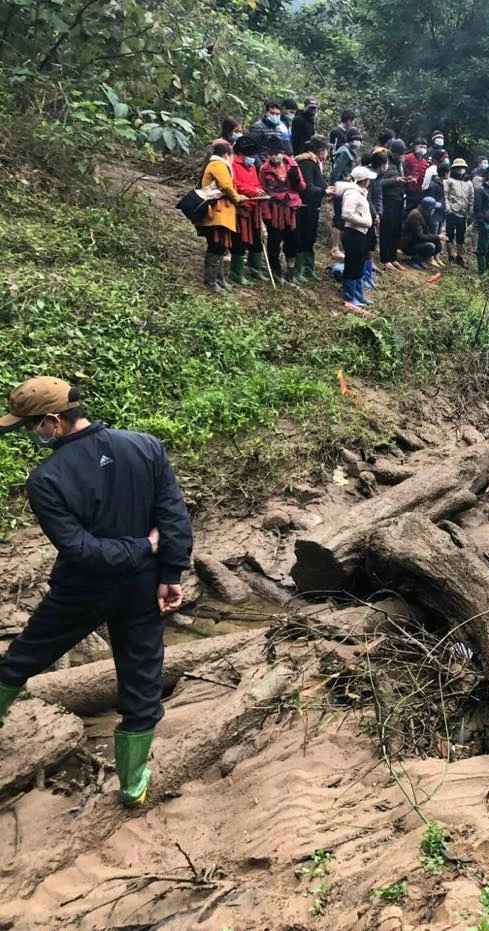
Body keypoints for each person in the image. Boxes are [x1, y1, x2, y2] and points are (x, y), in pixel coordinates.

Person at [0, 377, 192, 807]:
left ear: (53, 421)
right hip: (143, 588)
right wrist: (168, 569)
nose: (32, 435)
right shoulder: (145, 446)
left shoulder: (46, 479)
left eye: (32, 426)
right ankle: (133, 787)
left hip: (81, 591)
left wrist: (155, 556)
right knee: (142, 681)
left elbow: (83, 551)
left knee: (22, 658)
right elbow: (174, 517)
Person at [195, 139, 244, 294]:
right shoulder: (218, 165)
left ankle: (219, 279)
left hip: (222, 213)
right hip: (216, 213)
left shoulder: (217, 164)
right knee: (216, 246)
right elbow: (226, 186)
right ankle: (210, 280)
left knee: (221, 246)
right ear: (226, 155)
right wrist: (237, 198)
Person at [259, 147, 306, 284]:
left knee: (293, 242)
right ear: (268, 155)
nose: (275, 157)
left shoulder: (292, 165)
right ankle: (276, 272)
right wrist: (266, 214)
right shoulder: (264, 169)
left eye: (277, 153)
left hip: (293, 209)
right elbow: (262, 192)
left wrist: (296, 178)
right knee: (274, 243)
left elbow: (302, 187)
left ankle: (290, 273)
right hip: (275, 210)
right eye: (272, 154)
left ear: (282, 154)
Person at [291, 136, 332, 283]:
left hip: (313, 207)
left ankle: (308, 268)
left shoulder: (315, 162)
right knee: (302, 238)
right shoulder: (307, 163)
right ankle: (298, 270)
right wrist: (323, 192)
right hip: (304, 207)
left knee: (310, 238)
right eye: (326, 150)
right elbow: (307, 188)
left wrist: (325, 189)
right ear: (321, 151)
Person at [230, 136, 267, 286]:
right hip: (241, 208)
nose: (250, 158)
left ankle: (255, 268)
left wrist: (260, 191)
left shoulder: (251, 166)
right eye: (248, 154)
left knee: (257, 239)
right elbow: (235, 184)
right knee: (239, 240)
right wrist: (252, 191)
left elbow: (257, 183)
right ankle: (236, 272)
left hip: (255, 209)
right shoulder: (232, 164)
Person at [338, 165, 376, 309]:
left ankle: (359, 294)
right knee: (352, 265)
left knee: (359, 264)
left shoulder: (361, 193)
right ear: (364, 180)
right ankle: (349, 296)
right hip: (353, 233)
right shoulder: (352, 194)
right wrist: (364, 221)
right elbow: (347, 214)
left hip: (361, 233)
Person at [330, 128, 364, 259]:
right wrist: (334, 188)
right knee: (339, 218)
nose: (358, 142)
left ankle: (340, 245)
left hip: (347, 187)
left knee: (344, 218)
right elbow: (336, 172)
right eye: (357, 139)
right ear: (350, 139)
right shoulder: (344, 152)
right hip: (341, 188)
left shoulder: (351, 152)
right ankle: (334, 247)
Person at [378, 141, 408, 271]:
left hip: (399, 200)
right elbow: (378, 182)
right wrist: (394, 180)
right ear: (393, 151)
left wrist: (405, 180)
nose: (400, 156)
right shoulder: (384, 161)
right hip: (387, 200)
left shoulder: (399, 163)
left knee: (397, 230)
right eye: (399, 154)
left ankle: (393, 257)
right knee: (386, 231)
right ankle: (385, 259)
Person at [444, 158, 476, 268]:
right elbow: (445, 196)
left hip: (463, 213)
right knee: (449, 234)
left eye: (462, 168)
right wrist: (448, 209)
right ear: (454, 169)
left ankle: (459, 256)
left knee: (460, 235)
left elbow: (472, 198)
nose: (461, 170)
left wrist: (470, 211)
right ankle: (450, 255)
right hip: (452, 211)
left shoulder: (469, 183)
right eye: (459, 168)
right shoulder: (449, 181)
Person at [363, 150, 388, 289]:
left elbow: (379, 197)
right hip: (366, 215)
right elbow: (368, 197)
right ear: (382, 164)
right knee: (366, 243)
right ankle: (364, 275)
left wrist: (380, 212)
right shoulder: (369, 175)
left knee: (372, 242)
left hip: (375, 214)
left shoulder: (379, 176)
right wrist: (374, 214)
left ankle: (369, 270)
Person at [400, 196, 443, 270]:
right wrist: (437, 237)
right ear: (429, 208)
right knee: (431, 246)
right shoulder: (414, 215)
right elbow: (419, 236)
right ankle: (414, 260)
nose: (434, 210)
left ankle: (421, 259)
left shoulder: (426, 214)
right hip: (409, 245)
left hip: (417, 241)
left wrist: (437, 238)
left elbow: (429, 233)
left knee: (438, 245)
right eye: (433, 208)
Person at [404, 138, 432, 215]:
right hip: (408, 191)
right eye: (420, 147)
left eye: (424, 148)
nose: (422, 149)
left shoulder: (426, 162)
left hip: (420, 192)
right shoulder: (407, 158)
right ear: (415, 147)